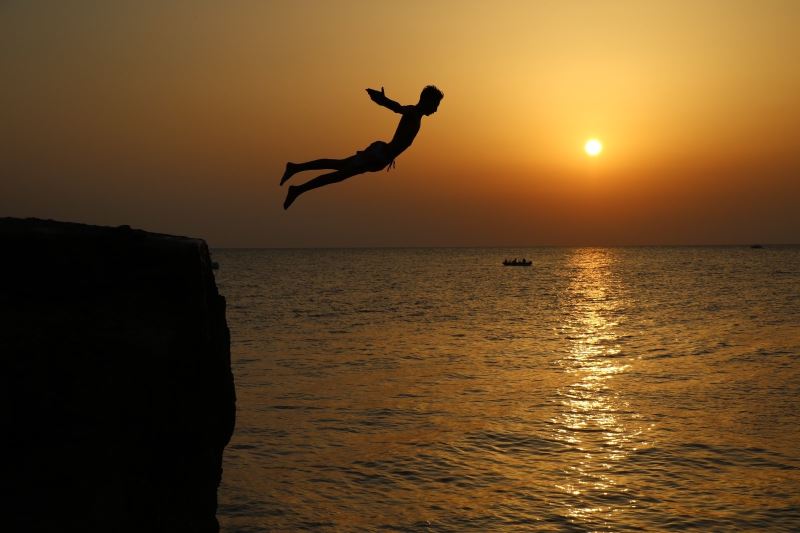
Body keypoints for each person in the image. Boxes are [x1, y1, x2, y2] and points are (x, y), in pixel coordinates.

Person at [280, 85, 444, 209]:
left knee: (339, 166)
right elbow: (397, 108)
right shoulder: (413, 112)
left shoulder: (416, 114)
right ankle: (297, 186)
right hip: (379, 155)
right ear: (427, 101)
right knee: (339, 173)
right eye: (436, 104)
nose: (436, 109)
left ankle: (296, 171)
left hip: (382, 155)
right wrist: (383, 100)